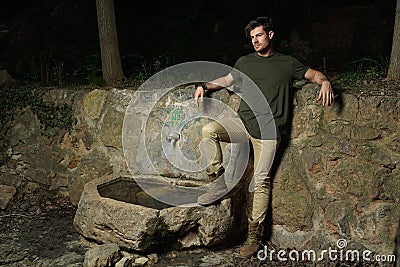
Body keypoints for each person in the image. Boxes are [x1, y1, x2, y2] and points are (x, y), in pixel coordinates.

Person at [193, 16, 334, 258]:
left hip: (269, 133)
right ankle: (218, 182)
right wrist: (204, 86)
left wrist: (326, 82)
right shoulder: (245, 62)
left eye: (258, 35)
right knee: (208, 131)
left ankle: (253, 237)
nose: (255, 41)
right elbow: (226, 80)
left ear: (270, 35)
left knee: (260, 181)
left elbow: (314, 75)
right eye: (251, 38)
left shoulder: (287, 63)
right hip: (243, 124)